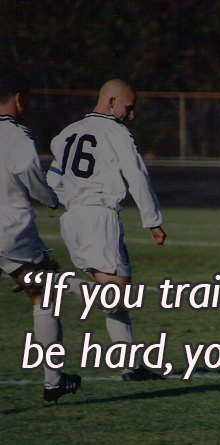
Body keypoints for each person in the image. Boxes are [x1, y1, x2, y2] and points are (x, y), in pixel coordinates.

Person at [47, 79, 166, 381]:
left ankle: (131, 367)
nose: (131, 115)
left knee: (115, 298)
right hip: (99, 217)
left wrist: (57, 201)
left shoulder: (66, 133)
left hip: (73, 218)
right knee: (116, 299)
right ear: (112, 102)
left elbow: (53, 178)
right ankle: (56, 283)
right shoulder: (116, 132)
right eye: (129, 107)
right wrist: (152, 219)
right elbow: (136, 176)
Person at [0, 69, 82, 402]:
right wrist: (49, 198)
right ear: (18, 99)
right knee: (45, 292)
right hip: (9, 228)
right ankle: (53, 381)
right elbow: (29, 173)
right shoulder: (15, 134)